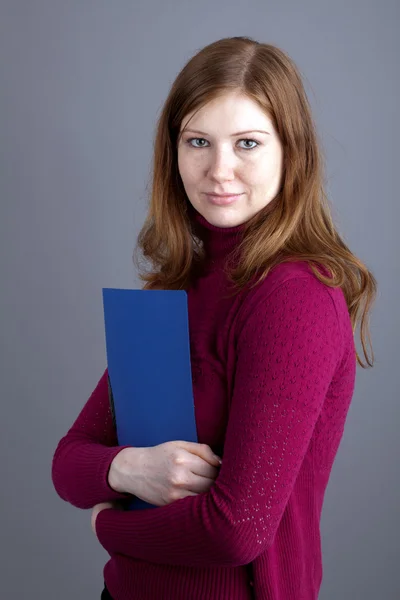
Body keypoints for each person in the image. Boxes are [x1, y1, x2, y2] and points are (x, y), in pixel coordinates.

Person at [51, 36, 377, 600]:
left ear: (290, 152)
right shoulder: (182, 285)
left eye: (247, 143)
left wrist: (107, 524)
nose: (218, 170)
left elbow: (236, 534)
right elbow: (68, 460)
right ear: (172, 153)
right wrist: (127, 468)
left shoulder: (294, 297)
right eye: (198, 141)